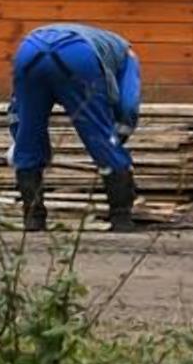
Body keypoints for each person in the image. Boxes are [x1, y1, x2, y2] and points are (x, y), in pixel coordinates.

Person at [10, 23, 143, 232]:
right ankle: (121, 217)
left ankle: (33, 217)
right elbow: (127, 104)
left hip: (29, 48)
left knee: (29, 134)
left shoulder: (103, 42)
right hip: (77, 55)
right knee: (99, 136)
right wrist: (117, 142)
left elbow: (17, 113)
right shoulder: (128, 56)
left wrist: (20, 142)